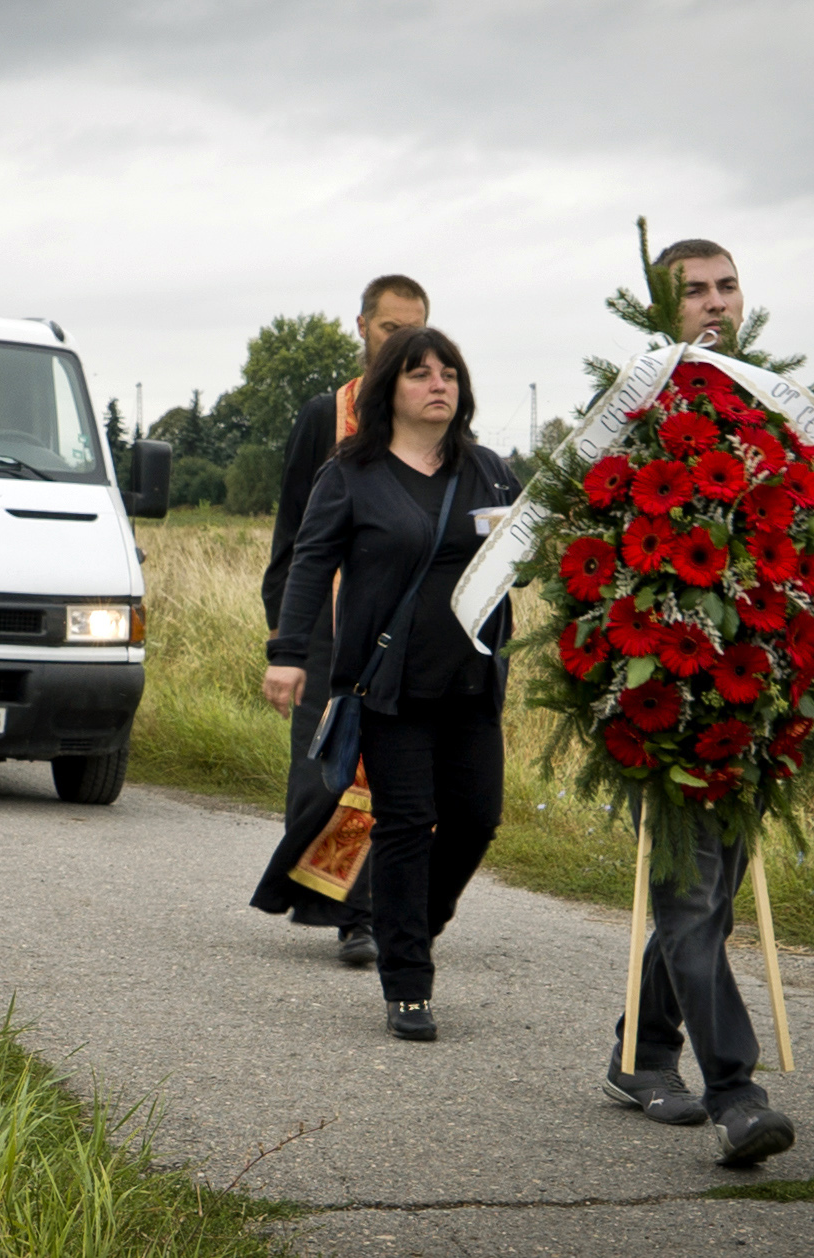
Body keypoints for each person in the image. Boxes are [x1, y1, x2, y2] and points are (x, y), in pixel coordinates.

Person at [597, 236, 797, 1168]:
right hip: (663, 692)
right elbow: (591, 534)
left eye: (727, 287)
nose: (715, 304)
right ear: (661, 306)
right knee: (689, 900)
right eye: (694, 292)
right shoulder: (637, 408)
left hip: (756, 691)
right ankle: (736, 1091)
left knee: (708, 899)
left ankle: (640, 1054)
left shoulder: (773, 405)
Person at [263, 326, 519, 1042]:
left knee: (475, 820)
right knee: (406, 824)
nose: (438, 384)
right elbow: (310, 563)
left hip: (471, 681)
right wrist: (288, 652)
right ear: (389, 391)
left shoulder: (491, 471)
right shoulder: (352, 473)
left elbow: (529, 552)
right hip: (389, 685)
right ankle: (407, 982)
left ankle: (414, 927)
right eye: (419, 374)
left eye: (449, 374)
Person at [251, 275, 431, 964]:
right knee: (328, 768)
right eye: (391, 330)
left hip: (412, 622)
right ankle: (335, 900)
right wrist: (284, 636)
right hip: (328, 621)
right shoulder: (326, 415)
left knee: (400, 771)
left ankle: (369, 911)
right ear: (361, 327)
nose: (402, 344)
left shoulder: (440, 417)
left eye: (415, 331)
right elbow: (292, 531)